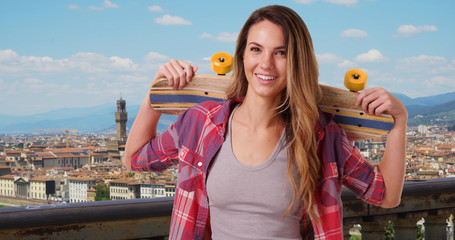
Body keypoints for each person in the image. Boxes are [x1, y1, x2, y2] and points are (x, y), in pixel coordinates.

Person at [123, 5, 408, 240]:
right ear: (242, 55)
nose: (266, 64)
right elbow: (134, 158)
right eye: (256, 49)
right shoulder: (201, 124)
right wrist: (156, 91)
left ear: (298, 61)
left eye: (281, 52)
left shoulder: (321, 134)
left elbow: (386, 195)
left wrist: (399, 121)